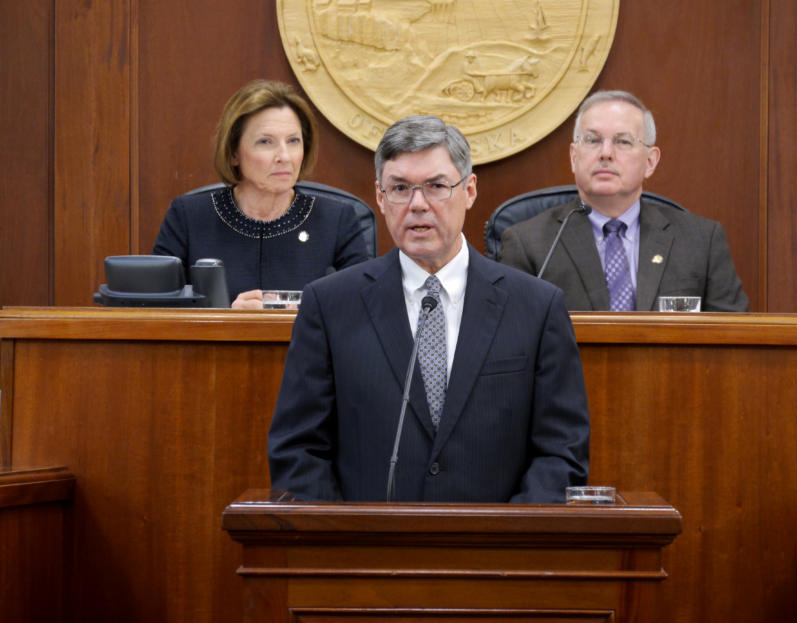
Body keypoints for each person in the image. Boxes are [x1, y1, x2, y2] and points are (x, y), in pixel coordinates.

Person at [268, 115, 590, 503]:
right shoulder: (330, 305)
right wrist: (344, 543)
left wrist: (509, 542)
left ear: (469, 190)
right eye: (400, 188)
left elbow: (562, 453)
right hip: (366, 553)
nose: (417, 205)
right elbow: (298, 451)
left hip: (497, 554)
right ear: (380, 196)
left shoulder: (537, 308)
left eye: (436, 186)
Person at [500, 90, 749, 312]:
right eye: (593, 140)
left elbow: (735, 342)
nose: (606, 153)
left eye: (622, 141)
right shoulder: (529, 244)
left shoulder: (700, 242)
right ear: (574, 157)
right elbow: (512, 343)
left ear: (650, 162)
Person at [152, 79, 369, 308]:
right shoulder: (188, 217)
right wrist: (227, 319)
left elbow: (365, 309)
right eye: (266, 142)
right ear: (234, 152)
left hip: (309, 344)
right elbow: (155, 313)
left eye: (293, 141)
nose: (284, 156)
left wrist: (313, 314)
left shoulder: (337, 220)